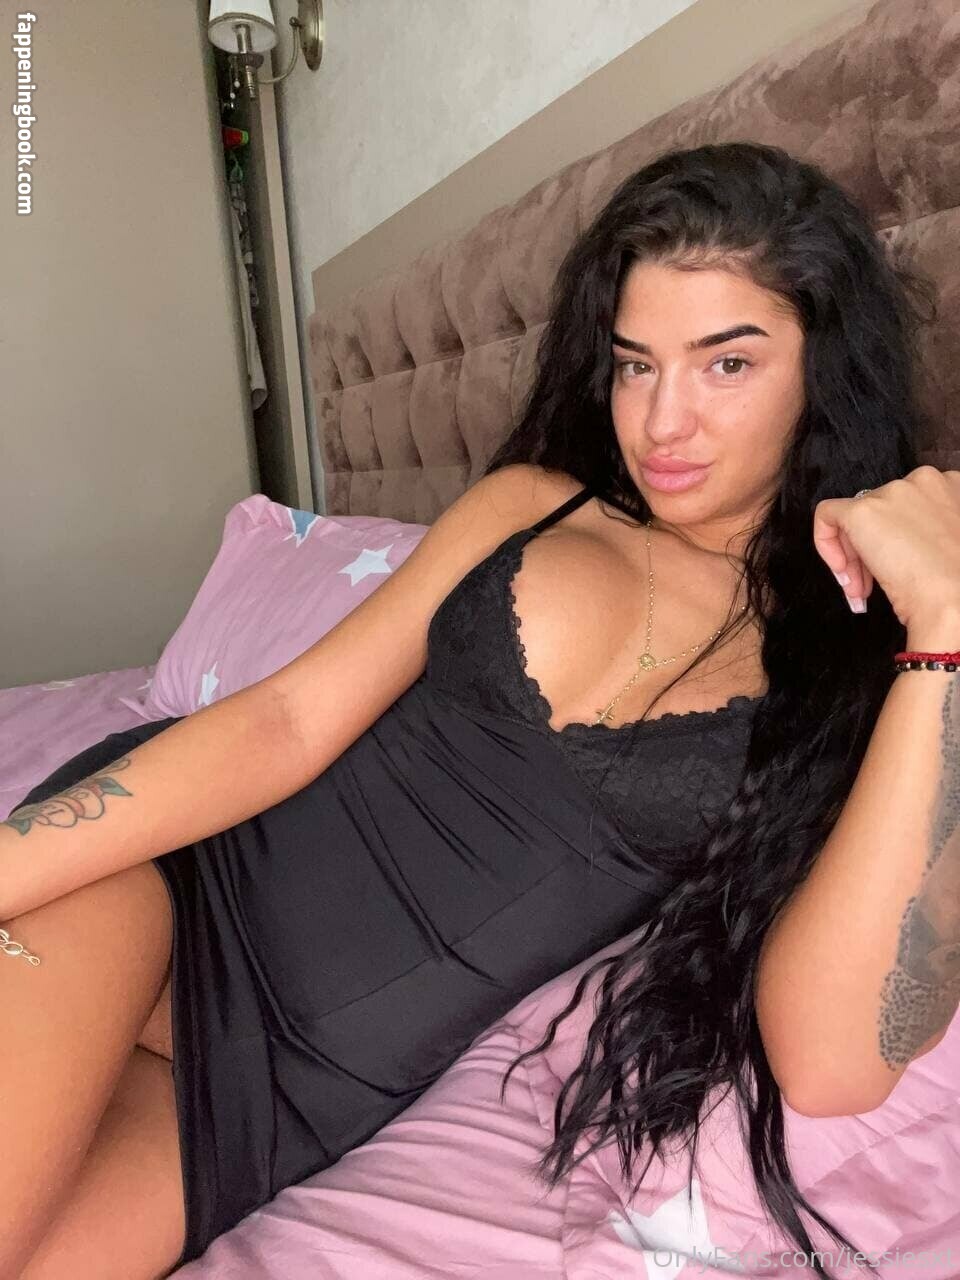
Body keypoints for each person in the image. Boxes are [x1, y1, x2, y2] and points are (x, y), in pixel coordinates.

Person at [2, 140, 957, 1280]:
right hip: (175, 889)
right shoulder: (535, 505)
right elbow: (286, 719)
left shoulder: (856, 678)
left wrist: (943, 627)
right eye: (635, 364)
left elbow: (833, 1062)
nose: (663, 422)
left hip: (292, 1093)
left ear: (823, 368)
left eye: (727, 363)